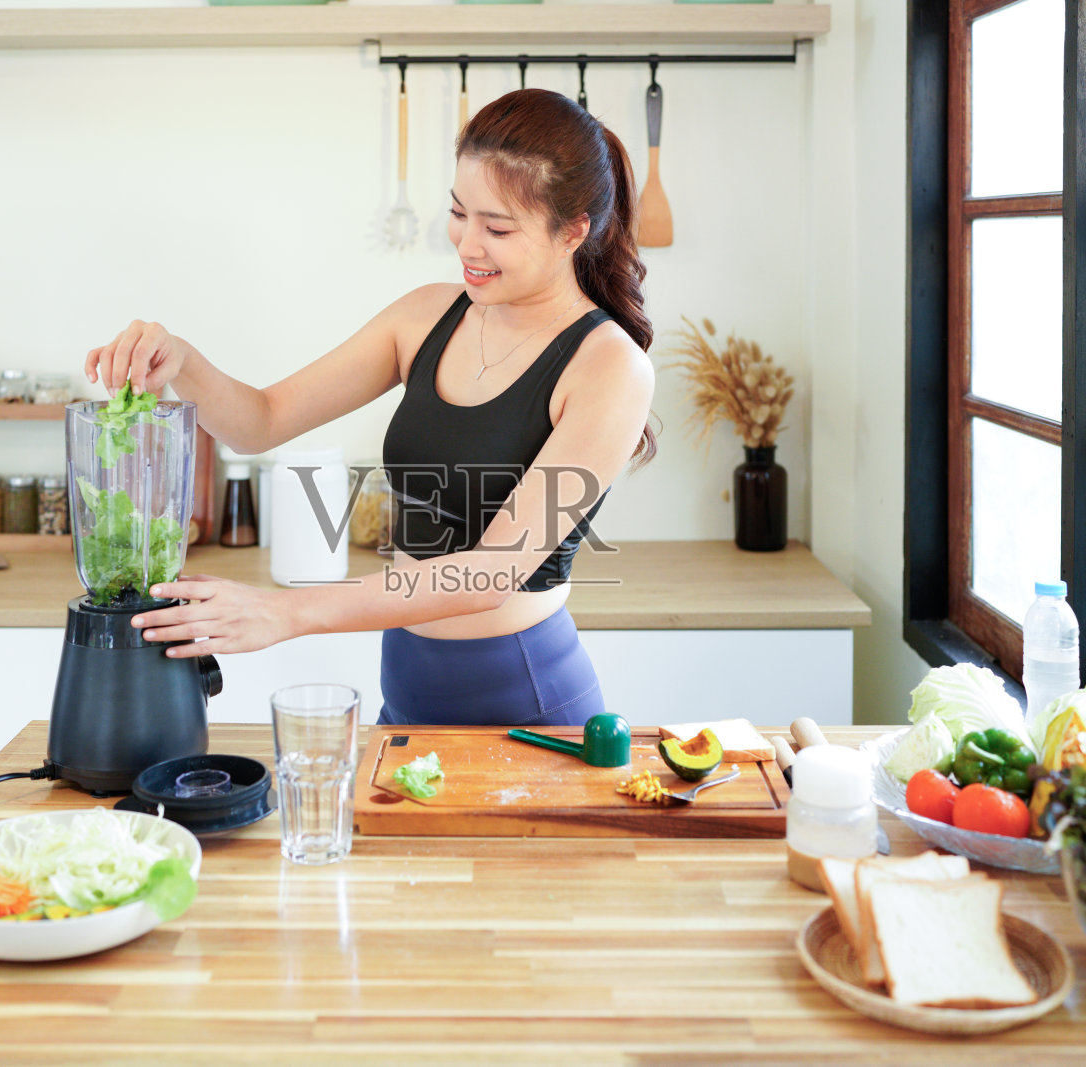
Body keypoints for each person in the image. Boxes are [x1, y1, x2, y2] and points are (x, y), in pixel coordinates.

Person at [83, 88, 657, 728]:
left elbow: (491, 574)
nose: (468, 245)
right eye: (458, 213)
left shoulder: (609, 365)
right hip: (408, 684)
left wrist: (287, 612)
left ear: (573, 230)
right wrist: (183, 362)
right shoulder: (425, 316)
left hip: (525, 696)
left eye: (497, 228)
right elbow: (262, 420)